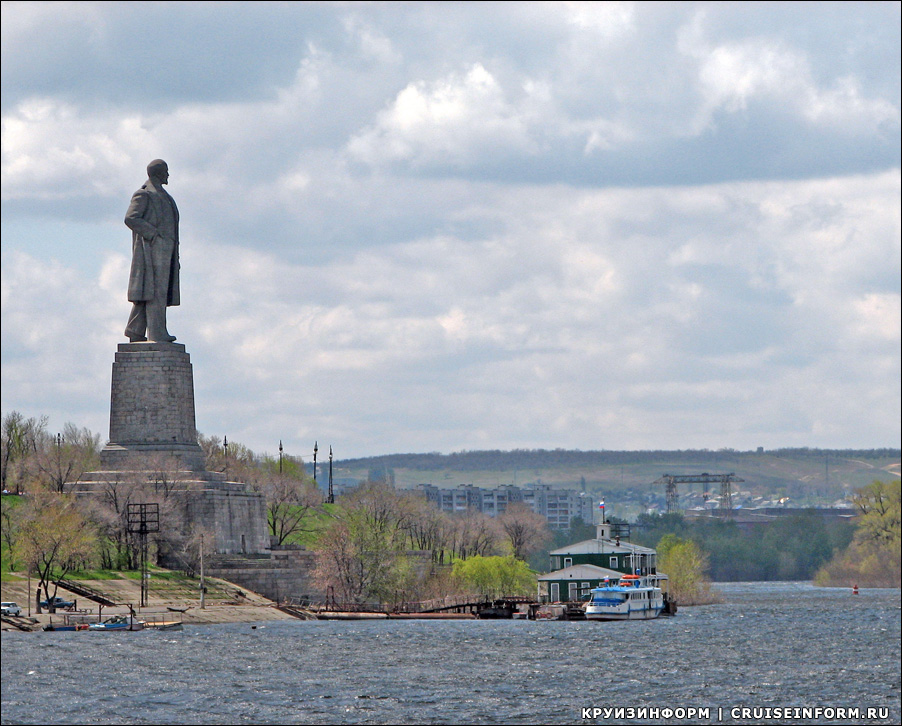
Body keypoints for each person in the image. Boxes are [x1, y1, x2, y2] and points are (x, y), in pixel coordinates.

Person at [123, 159, 180, 343]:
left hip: (166, 250)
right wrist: (153, 235)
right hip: (151, 250)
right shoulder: (144, 194)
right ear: (158, 173)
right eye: (166, 171)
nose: (168, 175)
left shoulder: (166, 196)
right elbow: (131, 218)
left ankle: (135, 330)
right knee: (155, 291)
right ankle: (157, 333)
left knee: (153, 291)